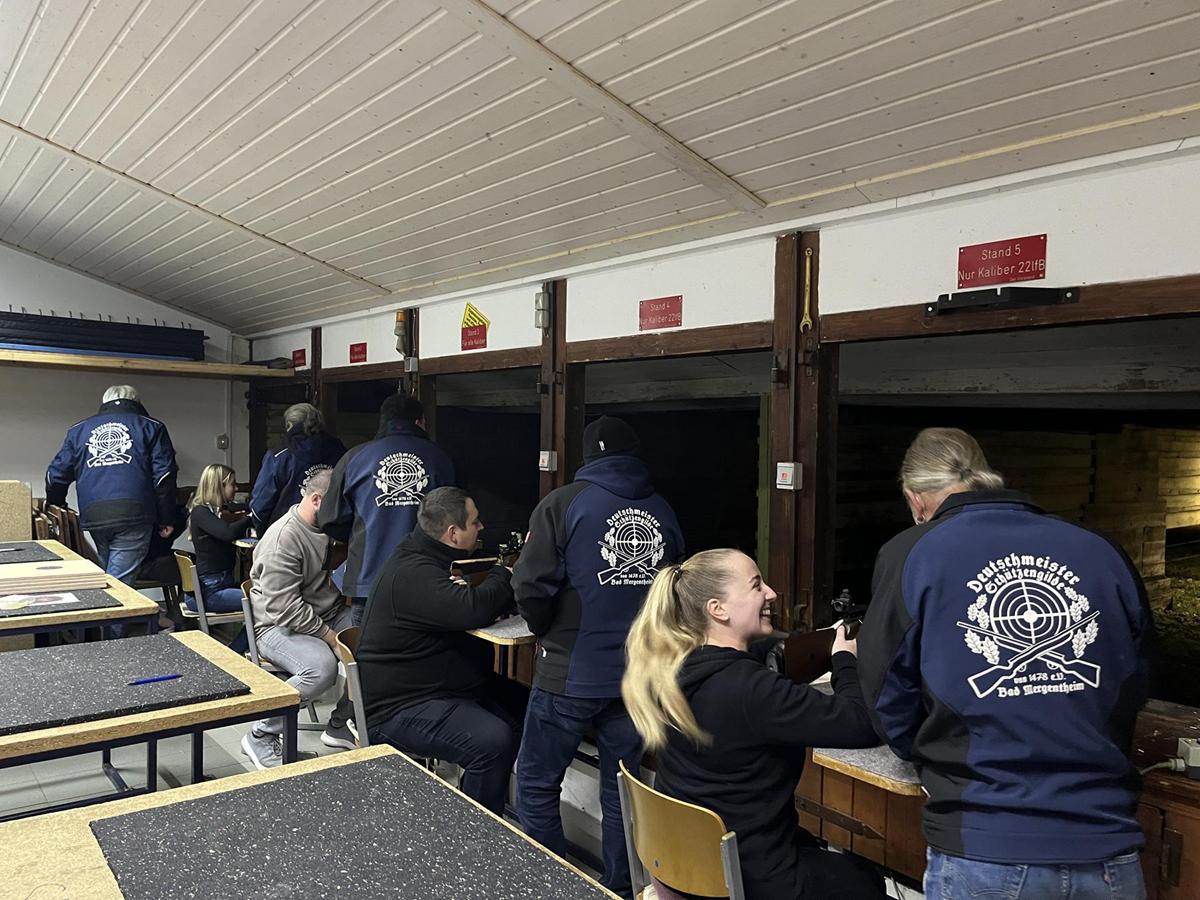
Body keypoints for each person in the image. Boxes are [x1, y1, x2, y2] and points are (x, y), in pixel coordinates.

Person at [857, 428, 1152, 900]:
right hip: (1107, 842)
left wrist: (937, 755)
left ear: (915, 498)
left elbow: (886, 695)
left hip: (983, 842)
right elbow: (1135, 678)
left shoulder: (911, 552)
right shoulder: (1100, 548)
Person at [622, 549, 884, 900]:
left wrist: (813, 644)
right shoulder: (750, 690)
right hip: (751, 878)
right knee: (866, 879)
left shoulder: (673, 668)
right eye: (757, 585)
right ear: (718, 609)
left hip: (686, 869)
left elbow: (751, 661)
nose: (771, 593)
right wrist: (845, 661)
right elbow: (861, 722)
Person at [513, 416, 684, 897]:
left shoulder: (563, 503)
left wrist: (546, 631)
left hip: (570, 672)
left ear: (588, 456)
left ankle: (555, 888)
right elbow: (676, 589)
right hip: (639, 678)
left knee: (536, 782)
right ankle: (619, 890)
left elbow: (529, 584)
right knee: (622, 794)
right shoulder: (663, 509)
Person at [358, 487, 526, 815]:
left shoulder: (421, 557)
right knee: (492, 742)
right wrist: (504, 571)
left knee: (526, 708)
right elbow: (473, 609)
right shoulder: (414, 571)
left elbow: (462, 606)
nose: (481, 527)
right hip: (398, 707)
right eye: (474, 522)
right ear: (453, 534)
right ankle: (476, 829)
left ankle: (485, 801)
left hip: (435, 687)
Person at [241, 466, 356, 769]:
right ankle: (260, 735)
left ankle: (341, 724)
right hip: (276, 625)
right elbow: (285, 608)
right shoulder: (283, 538)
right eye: (337, 506)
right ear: (317, 500)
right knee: (321, 669)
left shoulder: (324, 528)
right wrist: (331, 638)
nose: (342, 514)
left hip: (326, 612)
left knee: (375, 644)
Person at [46, 384, 178, 637]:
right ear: (137, 402)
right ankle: (110, 644)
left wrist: (57, 504)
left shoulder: (79, 430)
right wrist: (166, 518)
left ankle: (107, 636)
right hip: (134, 513)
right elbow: (164, 477)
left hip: (94, 515)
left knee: (111, 579)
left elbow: (55, 475)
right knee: (118, 587)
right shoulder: (151, 427)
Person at [318, 394, 454, 626]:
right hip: (426, 577)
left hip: (368, 578)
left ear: (383, 421)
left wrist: (360, 537)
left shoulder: (355, 457)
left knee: (367, 643)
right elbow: (457, 518)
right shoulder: (441, 458)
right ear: (420, 422)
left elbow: (330, 519)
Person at [186, 464, 252, 654]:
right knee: (266, 604)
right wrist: (250, 517)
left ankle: (240, 649)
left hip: (217, 585)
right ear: (219, 486)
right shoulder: (201, 512)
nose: (236, 488)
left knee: (263, 597)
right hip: (210, 592)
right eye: (232, 484)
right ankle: (234, 653)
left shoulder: (214, 512)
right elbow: (227, 533)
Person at [249, 402, 345, 532]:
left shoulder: (279, 456)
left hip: (287, 532)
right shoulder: (339, 451)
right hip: (330, 531)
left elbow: (260, 504)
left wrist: (264, 532)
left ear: (289, 425)